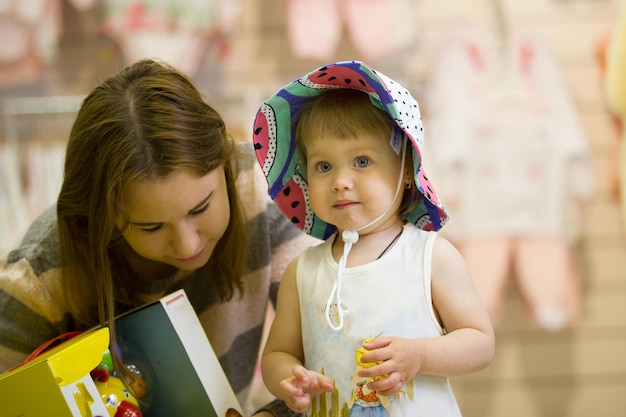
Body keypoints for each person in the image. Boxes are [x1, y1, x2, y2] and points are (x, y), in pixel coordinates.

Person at [0, 58, 318, 416]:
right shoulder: (37, 279)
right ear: (102, 219)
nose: (188, 245)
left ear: (225, 161)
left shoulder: (264, 189)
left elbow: (332, 352)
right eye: (150, 227)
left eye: (200, 209)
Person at [252, 60, 495, 415]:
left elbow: (480, 342)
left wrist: (421, 354)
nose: (340, 181)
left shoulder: (430, 257)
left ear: (408, 170)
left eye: (362, 161)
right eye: (323, 166)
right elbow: (278, 354)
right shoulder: (302, 271)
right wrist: (288, 376)